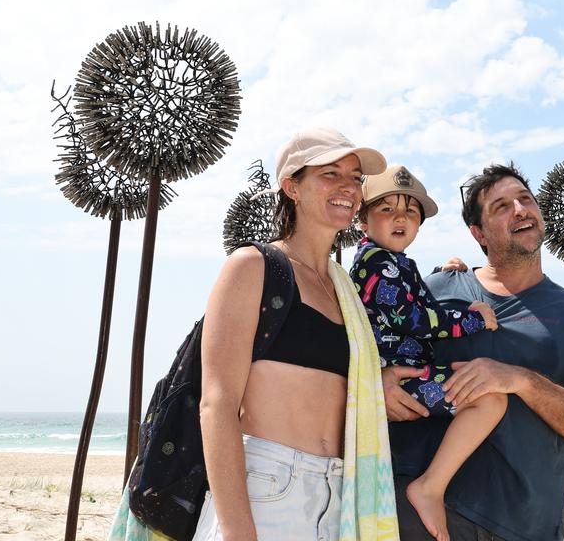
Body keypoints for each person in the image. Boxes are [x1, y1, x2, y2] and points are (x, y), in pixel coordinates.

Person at [132, 129, 396, 541]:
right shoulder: (254, 266)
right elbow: (217, 404)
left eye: (355, 177)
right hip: (266, 490)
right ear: (292, 187)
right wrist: (238, 531)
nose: (349, 186)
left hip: (338, 497)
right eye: (330, 174)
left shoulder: (345, 290)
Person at [384, 162, 564, 541]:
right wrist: (379, 382)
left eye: (525, 200)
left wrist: (521, 381)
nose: (519, 209)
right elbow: (371, 340)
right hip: (420, 515)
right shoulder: (436, 288)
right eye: (501, 206)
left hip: (526, 525)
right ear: (478, 232)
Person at [350, 164, 507, 541]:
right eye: (386, 209)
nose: (400, 217)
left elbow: (405, 296)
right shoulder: (377, 265)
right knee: (490, 399)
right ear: (363, 222)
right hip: (402, 379)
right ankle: (430, 488)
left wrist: (444, 271)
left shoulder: (388, 263)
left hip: (400, 376)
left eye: (410, 211)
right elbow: (411, 318)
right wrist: (471, 320)